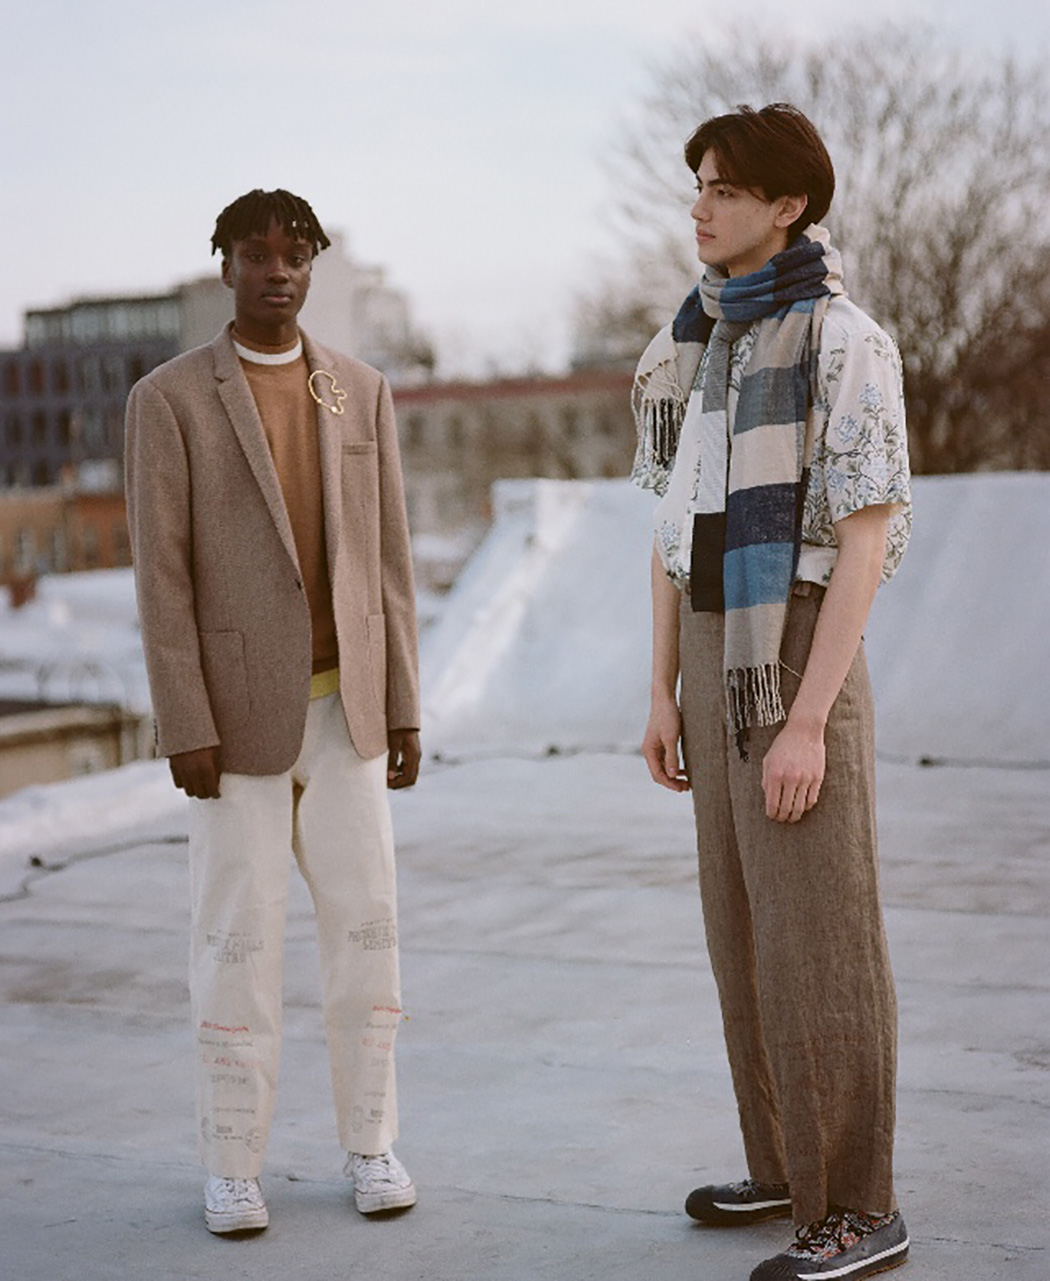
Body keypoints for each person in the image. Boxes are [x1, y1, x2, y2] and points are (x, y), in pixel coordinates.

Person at [633, 105, 912, 1280]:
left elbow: (866, 542)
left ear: (788, 206)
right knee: (741, 927)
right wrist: (662, 691)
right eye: (696, 185)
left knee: (820, 934)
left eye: (726, 189)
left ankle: (858, 1204)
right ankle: (785, 1164)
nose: (700, 207)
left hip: (793, 645)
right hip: (711, 646)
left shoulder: (846, 341)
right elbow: (670, 532)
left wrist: (807, 720)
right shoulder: (692, 343)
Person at [125, 188, 421, 1235]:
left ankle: (373, 1143)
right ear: (226, 267)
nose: (278, 271)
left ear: (311, 268)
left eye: (295, 255)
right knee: (236, 946)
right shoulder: (168, 400)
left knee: (368, 937)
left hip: (349, 715)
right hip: (233, 727)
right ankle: (230, 1163)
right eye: (257, 254)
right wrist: (185, 721)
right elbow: (162, 578)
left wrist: (404, 706)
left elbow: (387, 561)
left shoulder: (360, 391)